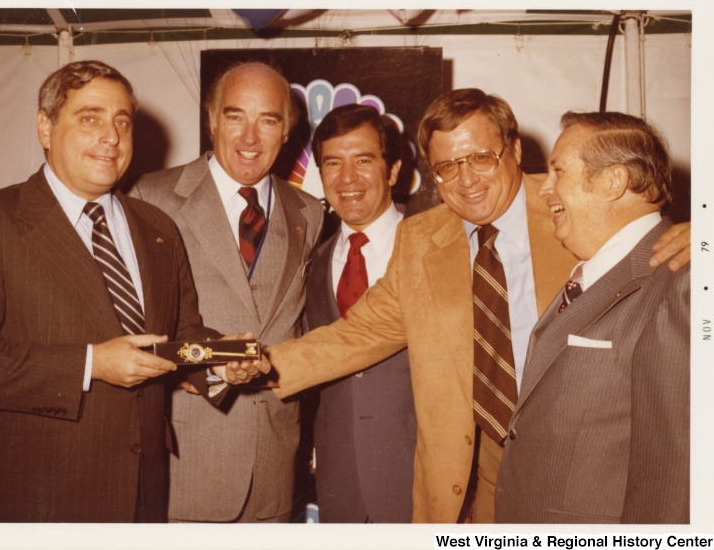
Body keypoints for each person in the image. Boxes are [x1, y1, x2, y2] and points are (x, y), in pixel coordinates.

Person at [264, 88, 690, 523]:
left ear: (515, 150)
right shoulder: (420, 240)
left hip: (580, 476)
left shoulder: (569, 205)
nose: (466, 181)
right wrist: (253, 363)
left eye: (481, 158)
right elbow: (359, 334)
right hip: (481, 480)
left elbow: (639, 223)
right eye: (447, 167)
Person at [0, 60, 259, 523]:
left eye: (122, 121)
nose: (111, 136)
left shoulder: (157, 227)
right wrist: (91, 364)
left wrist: (223, 363)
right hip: (27, 500)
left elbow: (180, 332)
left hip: (139, 494)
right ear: (45, 127)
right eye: (90, 118)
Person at [129, 62, 324, 523]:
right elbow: (131, 326)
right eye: (235, 116)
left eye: (268, 120)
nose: (249, 138)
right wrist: (210, 367)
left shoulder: (309, 212)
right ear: (211, 119)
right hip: (187, 463)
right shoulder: (149, 198)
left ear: (287, 131)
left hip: (274, 467)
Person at [495, 111, 689, 523]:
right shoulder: (592, 273)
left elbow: (677, 472)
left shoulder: (685, 279)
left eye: (558, 171)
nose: (544, 188)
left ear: (613, 181)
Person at [304, 104, 416, 523]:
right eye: (333, 163)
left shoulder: (439, 249)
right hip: (339, 483)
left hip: (420, 475)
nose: (347, 179)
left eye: (363, 160)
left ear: (393, 171)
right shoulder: (311, 264)